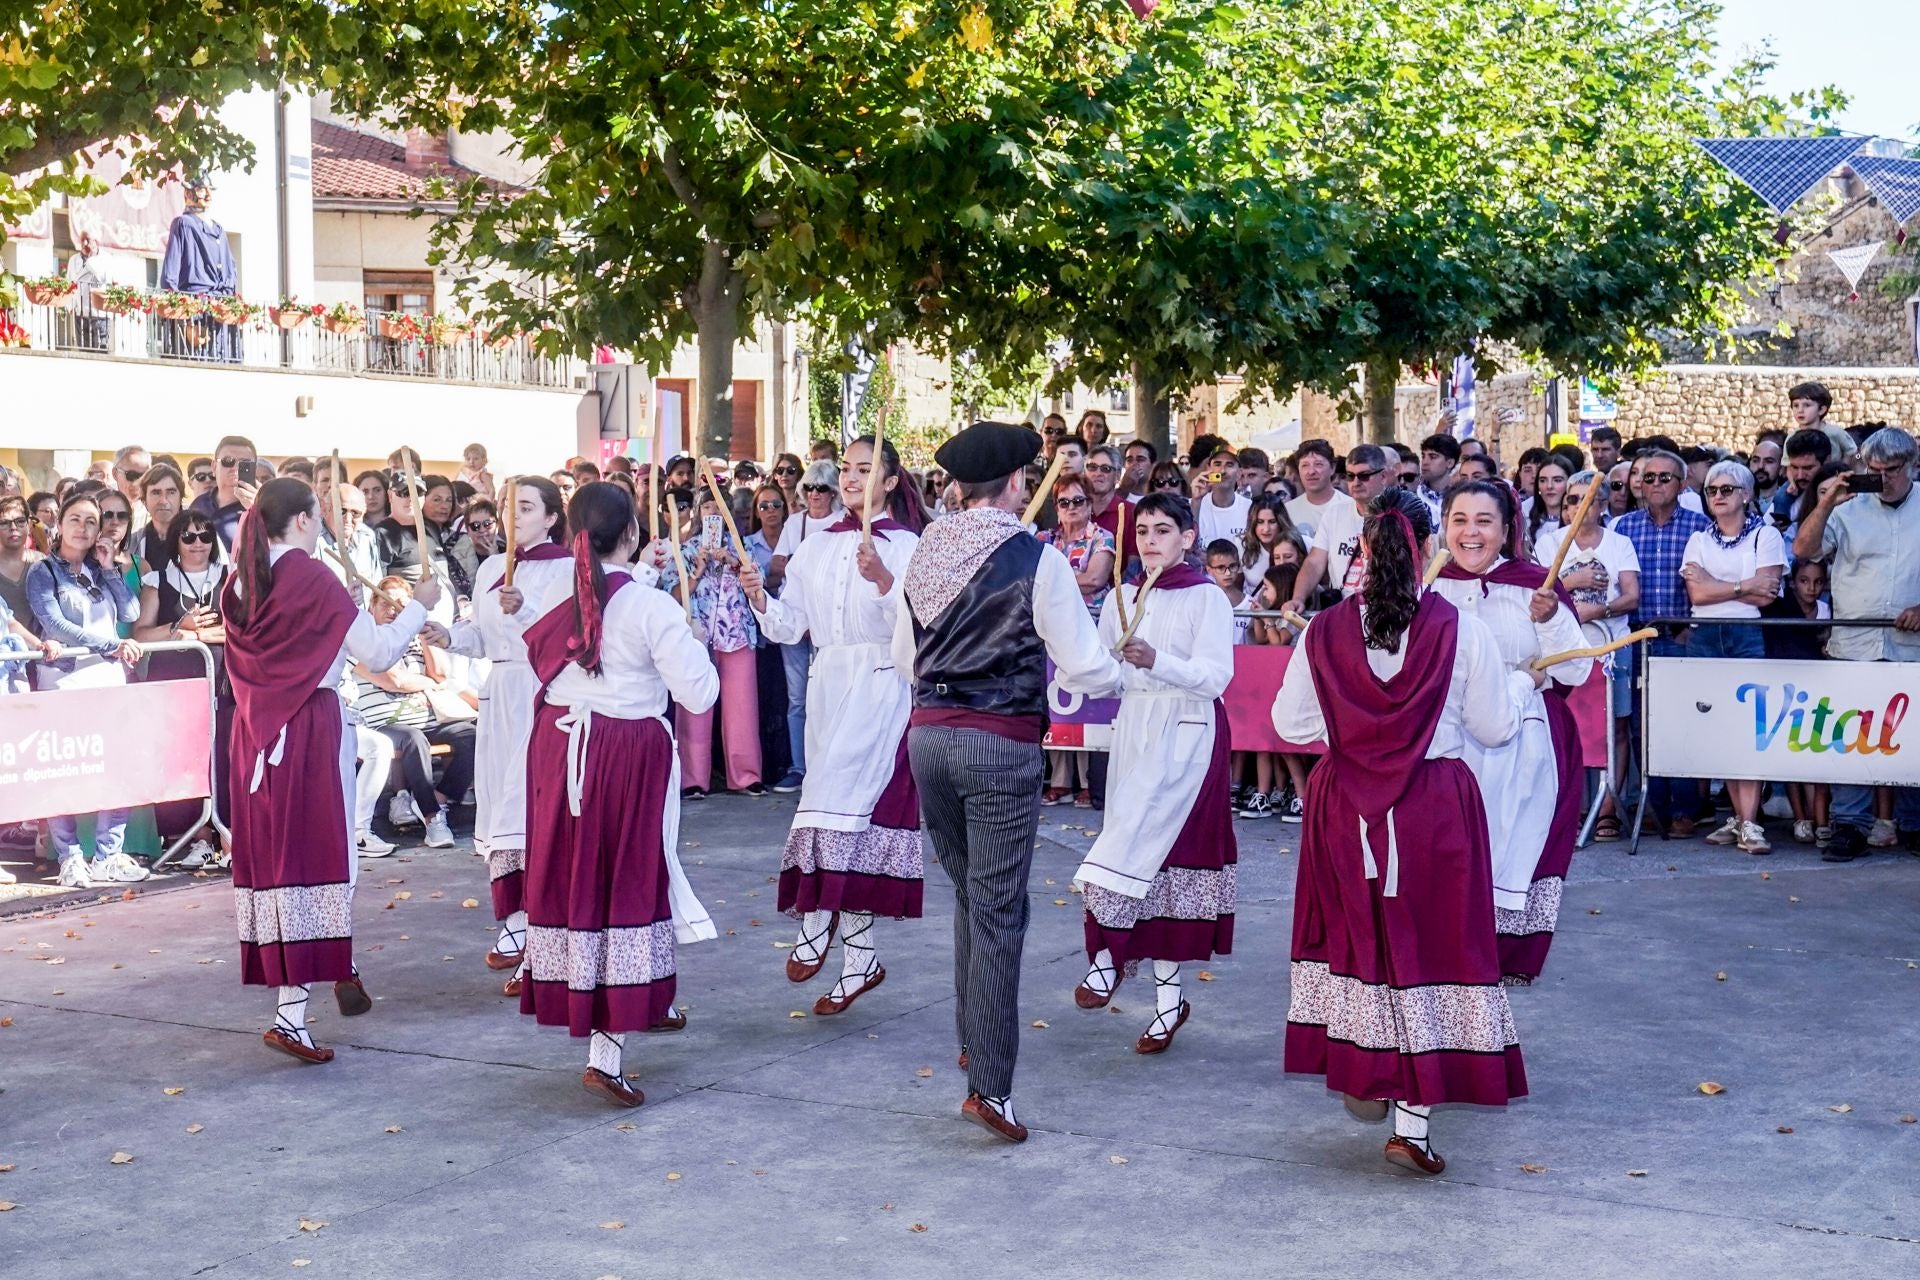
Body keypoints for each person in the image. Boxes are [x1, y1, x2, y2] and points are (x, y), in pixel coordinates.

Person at [1273, 486, 1535, 1175]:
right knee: (1428, 947)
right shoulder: (1460, 629)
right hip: (1431, 807)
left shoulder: (1324, 628)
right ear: (1426, 549)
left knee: (1364, 938)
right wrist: (1520, 685)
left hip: (1346, 806)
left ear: (1363, 548)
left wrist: (1356, 733)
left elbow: (1290, 724)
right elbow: (1495, 728)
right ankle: (1412, 1125)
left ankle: (1367, 1071)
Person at [893, 421, 1123, 1143]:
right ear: (1020, 482)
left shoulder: (928, 551)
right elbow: (1084, 665)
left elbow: (904, 657)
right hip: (1000, 741)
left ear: (961, 487)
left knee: (971, 897)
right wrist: (1121, 671)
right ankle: (989, 1084)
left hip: (929, 734)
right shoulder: (1037, 557)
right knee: (998, 910)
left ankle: (975, 1037)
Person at [219, 478, 439, 1062]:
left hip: (256, 731)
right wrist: (421, 604)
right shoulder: (312, 576)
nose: (323, 526)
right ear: (300, 521)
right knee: (321, 857)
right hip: (309, 725)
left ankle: (339, 965)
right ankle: (293, 1013)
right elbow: (379, 653)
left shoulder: (240, 578)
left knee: (282, 857)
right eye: (317, 516)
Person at [518, 481, 718, 1106]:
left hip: (559, 748)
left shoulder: (559, 596)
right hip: (622, 755)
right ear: (630, 533)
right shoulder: (648, 607)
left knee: (583, 879)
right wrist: (687, 632)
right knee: (622, 885)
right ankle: (606, 1049)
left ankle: (645, 996)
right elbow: (701, 693)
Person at [739, 437, 925, 1013]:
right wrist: (761, 600)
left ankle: (816, 924)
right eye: (846, 468)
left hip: (879, 683)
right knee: (844, 822)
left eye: (866, 470)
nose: (850, 478)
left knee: (831, 807)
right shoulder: (816, 546)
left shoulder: (910, 546)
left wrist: (883, 582)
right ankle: (861, 958)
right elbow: (791, 626)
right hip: (827, 683)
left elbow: (922, 630)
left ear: (891, 482)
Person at [1070, 493, 1238, 1051]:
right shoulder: (1124, 592)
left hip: (1187, 735)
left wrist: (1155, 660)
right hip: (1136, 730)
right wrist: (1078, 656)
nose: (1149, 540)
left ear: (1188, 536)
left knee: (1143, 858)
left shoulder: (1205, 596)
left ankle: (1107, 964)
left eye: (1163, 530)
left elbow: (1216, 677)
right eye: (1142, 530)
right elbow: (1104, 673)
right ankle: (1167, 1000)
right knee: (1138, 858)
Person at [1432, 481, 1591, 984]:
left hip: (1524, 739)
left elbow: (1576, 671)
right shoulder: (1432, 586)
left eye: (1484, 521)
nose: (1470, 532)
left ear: (1506, 530)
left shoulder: (1534, 585)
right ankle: (1450, 953)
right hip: (1451, 739)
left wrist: (1551, 622)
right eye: (1459, 520)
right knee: (1451, 848)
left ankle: (1503, 959)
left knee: (1512, 845)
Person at [438, 476, 573, 982]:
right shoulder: (492, 566)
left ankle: (539, 935)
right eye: (509, 507)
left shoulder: (566, 569)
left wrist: (529, 610)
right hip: (499, 694)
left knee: (532, 807)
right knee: (501, 808)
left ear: (552, 518)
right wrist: (447, 635)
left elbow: (569, 637)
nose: (515, 515)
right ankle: (516, 919)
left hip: (542, 692)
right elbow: (481, 636)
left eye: (528, 507)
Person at [1792, 427, 1920, 861]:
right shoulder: (1848, 511)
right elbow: (1803, 549)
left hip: (1910, 646)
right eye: (1875, 470)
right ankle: (1849, 825)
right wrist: (1828, 501)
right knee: (1854, 736)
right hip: (1855, 643)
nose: (1882, 479)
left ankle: (1914, 822)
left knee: (1912, 736)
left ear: (1912, 466)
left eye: (1892, 471)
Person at [27, 493, 146, 887]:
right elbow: (56, 625)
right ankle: (70, 856)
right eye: (75, 519)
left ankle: (108, 855)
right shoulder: (43, 572)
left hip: (108, 683)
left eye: (91, 521)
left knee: (116, 769)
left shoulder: (100, 569)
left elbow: (130, 614)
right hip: (64, 684)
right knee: (64, 771)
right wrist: (111, 645)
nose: (83, 527)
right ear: (59, 524)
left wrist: (110, 568)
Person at [1679, 461, 1786, 853]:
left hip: (1746, 635)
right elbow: (1697, 597)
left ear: (1745, 494)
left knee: (1750, 725)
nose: (1718, 496)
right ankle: (1740, 818)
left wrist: (1717, 585)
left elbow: (1768, 594)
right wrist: (1745, 584)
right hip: (1705, 636)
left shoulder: (1766, 536)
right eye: (1711, 490)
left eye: (1726, 489)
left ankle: (1750, 822)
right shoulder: (1698, 540)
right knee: (1720, 725)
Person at [1534, 472, 1640, 842]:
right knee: (1568, 726)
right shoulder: (1549, 543)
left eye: (1586, 499)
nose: (1578, 507)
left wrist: (1598, 612)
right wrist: (1574, 583)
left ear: (1601, 504)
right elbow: (1540, 591)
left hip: (1612, 646)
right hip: (1564, 649)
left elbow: (1631, 596)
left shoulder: (1620, 543)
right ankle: (1573, 808)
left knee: (1616, 726)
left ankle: (1609, 807)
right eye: (1571, 500)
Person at [1612, 448, 1712, 838]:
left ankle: (1685, 810)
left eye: (1664, 477)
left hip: (1678, 637)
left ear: (1682, 483)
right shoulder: (1623, 528)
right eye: (1647, 477)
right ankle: (1655, 806)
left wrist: (1691, 625)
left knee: (1679, 724)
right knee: (1639, 725)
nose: (1654, 484)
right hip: (1634, 636)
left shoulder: (1699, 526)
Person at [350, 576, 477, 851]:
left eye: (402, 604)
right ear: (372, 608)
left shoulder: (415, 641)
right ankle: (433, 821)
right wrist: (426, 684)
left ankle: (433, 800)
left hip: (429, 720)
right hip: (385, 725)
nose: (394, 608)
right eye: (385, 602)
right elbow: (394, 680)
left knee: (469, 735)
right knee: (413, 739)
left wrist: (421, 633)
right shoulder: (367, 641)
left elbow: (441, 674)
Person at [670, 488, 763, 799]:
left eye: (718, 506)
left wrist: (734, 562)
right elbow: (670, 594)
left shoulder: (743, 546)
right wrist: (695, 574)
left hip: (736, 635)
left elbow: (760, 589)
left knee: (741, 708)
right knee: (695, 706)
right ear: (698, 512)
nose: (712, 511)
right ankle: (692, 778)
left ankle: (746, 776)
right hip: (697, 637)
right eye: (706, 506)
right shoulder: (685, 549)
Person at [1038, 473, 1115, 807]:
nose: (1071, 508)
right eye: (1064, 502)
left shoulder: (1102, 537)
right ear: (1056, 508)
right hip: (1048, 628)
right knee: (1054, 702)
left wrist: (1053, 580)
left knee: (1084, 702)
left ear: (1090, 504)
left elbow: (1096, 579)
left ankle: (1086, 781)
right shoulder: (1043, 538)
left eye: (1078, 500)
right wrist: (1071, 580)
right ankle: (1058, 779)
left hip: (1089, 626)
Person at [1762, 559, 1833, 845]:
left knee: (1819, 756)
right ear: (1793, 582)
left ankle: (1822, 821)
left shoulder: (1828, 611)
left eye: (1817, 582)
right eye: (1804, 581)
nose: (1811, 588)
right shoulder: (1780, 610)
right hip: (1787, 691)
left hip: (1820, 691)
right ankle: (1801, 818)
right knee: (1791, 755)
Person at [1282, 444, 1391, 614]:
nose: (1356, 482)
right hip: (1343, 612)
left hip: (1386, 611)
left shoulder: (1401, 514)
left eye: (1364, 476)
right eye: (1350, 476)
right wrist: (1298, 598)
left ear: (1383, 476)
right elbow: (1314, 562)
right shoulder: (1335, 513)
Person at [190, 435, 258, 554]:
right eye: (228, 461)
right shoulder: (198, 504)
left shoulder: (264, 508)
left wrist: (257, 510)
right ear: (214, 467)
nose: (235, 468)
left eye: (244, 463)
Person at [0, 495, 45, 632]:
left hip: (43, 649)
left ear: (29, 525)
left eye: (20, 521)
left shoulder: (42, 563)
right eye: (4, 523)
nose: (13, 527)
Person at [1194, 446, 1251, 548]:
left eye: (1229, 465)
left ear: (1239, 473)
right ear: (1208, 469)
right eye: (1217, 464)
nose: (1222, 471)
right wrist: (1196, 501)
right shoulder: (1193, 504)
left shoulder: (1250, 508)